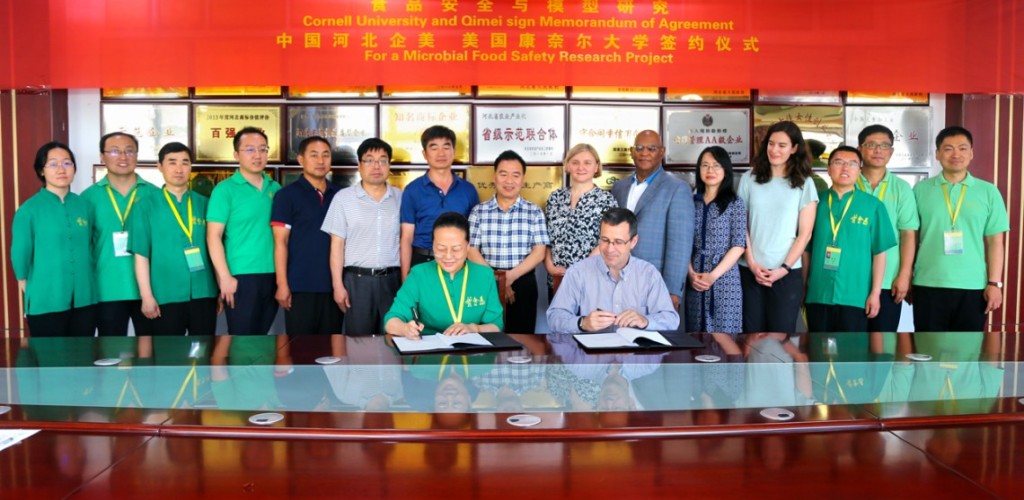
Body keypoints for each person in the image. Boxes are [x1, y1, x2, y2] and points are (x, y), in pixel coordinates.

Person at [913, 126, 1009, 331]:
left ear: (972, 153)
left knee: (967, 354)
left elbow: (996, 242)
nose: (956, 154)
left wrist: (995, 283)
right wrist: (907, 277)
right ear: (937, 154)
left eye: (963, 148)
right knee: (927, 351)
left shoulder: (989, 192)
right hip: (928, 283)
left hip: (974, 286)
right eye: (948, 149)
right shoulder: (921, 190)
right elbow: (910, 237)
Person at [129, 142, 219, 335]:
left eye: (185, 162)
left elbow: (217, 248)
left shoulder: (205, 203)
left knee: (202, 352)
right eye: (172, 162)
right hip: (164, 294)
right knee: (168, 356)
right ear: (160, 167)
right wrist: (146, 296)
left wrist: (218, 289)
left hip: (204, 292)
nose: (179, 169)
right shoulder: (145, 205)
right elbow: (141, 255)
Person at [738, 120, 818, 334]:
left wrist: (784, 269)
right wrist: (752, 263)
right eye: (771, 144)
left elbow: (805, 234)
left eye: (782, 145)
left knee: (780, 337)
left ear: (794, 148)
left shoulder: (804, 182)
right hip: (750, 271)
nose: (774, 150)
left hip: (787, 273)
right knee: (751, 337)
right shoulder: (749, 178)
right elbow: (741, 226)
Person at [804, 147, 896, 332]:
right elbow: (806, 250)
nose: (845, 168)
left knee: (852, 354)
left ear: (859, 170)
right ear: (828, 169)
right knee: (818, 353)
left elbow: (879, 253)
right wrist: (804, 287)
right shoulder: (814, 204)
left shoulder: (873, 206)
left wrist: (875, 293)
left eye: (852, 164)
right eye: (838, 162)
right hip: (817, 293)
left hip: (856, 296)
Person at [547, 207, 680, 333]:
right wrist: (582, 323)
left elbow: (671, 320)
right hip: (592, 354)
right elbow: (554, 318)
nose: (610, 249)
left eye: (618, 242)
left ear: (633, 241)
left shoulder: (649, 274)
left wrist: (646, 321)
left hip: (635, 354)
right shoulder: (578, 272)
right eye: (605, 240)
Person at [11, 142, 97, 336]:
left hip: (85, 298)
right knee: (52, 359)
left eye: (67, 163)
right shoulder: (29, 210)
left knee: (83, 357)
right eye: (53, 164)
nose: (61, 169)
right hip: (46, 297)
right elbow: (21, 253)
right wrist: (28, 286)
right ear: (41, 171)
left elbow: (91, 247)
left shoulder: (85, 206)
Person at [322, 138, 402, 335]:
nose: (377, 166)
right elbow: (336, 246)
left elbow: (405, 241)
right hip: (356, 281)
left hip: (392, 281)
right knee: (358, 342)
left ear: (389, 165)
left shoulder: (401, 198)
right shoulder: (343, 199)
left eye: (383, 160)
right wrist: (337, 286)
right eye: (369, 160)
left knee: (393, 339)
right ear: (359, 165)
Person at [207, 126, 282, 335]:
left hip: (273, 274)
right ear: (236, 154)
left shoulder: (275, 189)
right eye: (249, 149)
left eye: (263, 149)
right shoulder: (224, 190)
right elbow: (213, 237)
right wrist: (225, 277)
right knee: (243, 340)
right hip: (241, 276)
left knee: (263, 338)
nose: (257, 155)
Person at [80, 132, 157, 336]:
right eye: (115, 151)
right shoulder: (88, 198)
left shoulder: (155, 195)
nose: (123, 157)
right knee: (110, 352)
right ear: (102, 157)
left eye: (129, 151)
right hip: (106, 289)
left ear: (137, 156)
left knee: (151, 352)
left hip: (150, 290)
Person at [610, 130, 693, 313]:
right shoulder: (619, 188)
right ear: (632, 152)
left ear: (662, 152)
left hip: (656, 283)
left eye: (651, 148)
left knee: (653, 339)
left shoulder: (677, 189)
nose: (644, 153)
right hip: (617, 281)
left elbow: (680, 244)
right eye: (639, 148)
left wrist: (672, 291)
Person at [384, 212, 503, 338]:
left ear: (468, 247)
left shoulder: (484, 275)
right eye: (441, 248)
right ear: (433, 246)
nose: (448, 256)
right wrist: (405, 329)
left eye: (456, 249)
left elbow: (496, 325)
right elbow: (391, 320)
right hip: (430, 351)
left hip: (473, 352)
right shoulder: (418, 274)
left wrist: (473, 328)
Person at [468, 150, 549, 333]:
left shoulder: (533, 212)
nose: (509, 181)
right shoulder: (478, 212)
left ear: (523, 179)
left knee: (522, 338)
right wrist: (496, 280)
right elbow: (472, 250)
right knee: (486, 336)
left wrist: (508, 278)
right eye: (503, 174)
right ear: (495, 177)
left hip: (523, 281)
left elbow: (539, 252)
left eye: (515, 175)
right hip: (486, 280)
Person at [271, 135, 342, 335]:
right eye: (314, 155)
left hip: (334, 286)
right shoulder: (286, 196)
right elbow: (280, 242)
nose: (321, 161)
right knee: (301, 350)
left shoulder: (341, 195)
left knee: (331, 350)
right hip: (300, 286)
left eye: (325, 155)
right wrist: (282, 284)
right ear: (301, 160)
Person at [856, 124, 919, 331]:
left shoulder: (902, 188)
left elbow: (908, 234)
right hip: (852, 278)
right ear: (860, 149)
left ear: (891, 152)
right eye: (871, 145)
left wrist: (904, 275)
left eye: (884, 146)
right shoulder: (849, 182)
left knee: (882, 348)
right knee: (849, 347)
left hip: (888, 281)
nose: (878, 150)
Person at [399, 125, 480, 280]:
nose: (441, 153)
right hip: (423, 261)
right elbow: (407, 238)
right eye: (434, 147)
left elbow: (474, 236)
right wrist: (405, 278)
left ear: (454, 151)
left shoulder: (468, 190)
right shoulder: (412, 190)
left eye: (446, 147)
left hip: (459, 263)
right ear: (425, 154)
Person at [544, 143, 618, 300]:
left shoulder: (606, 200)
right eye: (575, 162)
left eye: (587, 162)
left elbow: (609, 240)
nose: (581, 167)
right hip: (557, 280)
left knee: (588, 323)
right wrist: (549, 265)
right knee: (559, 322)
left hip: (591, 279)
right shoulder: (555, 197)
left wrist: (578, 269)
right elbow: (547, 238)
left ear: (596, 167)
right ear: (568, 165)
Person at [685, 146, 747, 334]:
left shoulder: (734, 203)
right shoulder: (691, 202)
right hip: (695, 276)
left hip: (724, 277)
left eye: (716, 165)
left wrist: (713, 276)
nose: (710, 170)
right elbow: (684, 240)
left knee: (724, 336)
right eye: (705, 165)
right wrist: (690, 273)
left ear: (726, 170)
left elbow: (738, 245)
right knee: (696, 333)